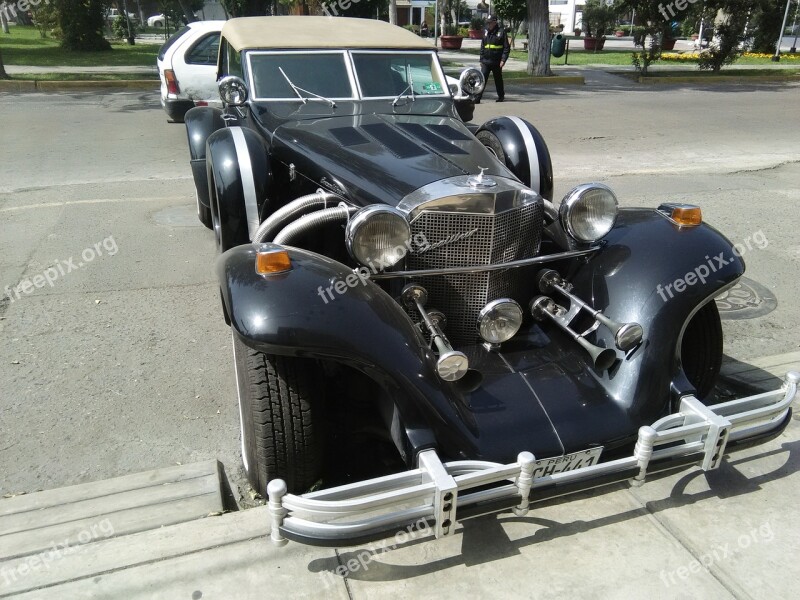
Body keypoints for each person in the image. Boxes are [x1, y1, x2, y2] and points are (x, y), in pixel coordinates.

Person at [475, 14, 510, 103]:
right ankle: (477, 98)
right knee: (482, 80)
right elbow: (483, 46)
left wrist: (503, 60)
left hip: (497, 61)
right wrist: (481, 59)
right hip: (486, 61)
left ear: (495, 22)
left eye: (490, 23)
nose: (489, 24)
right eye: (488, 23)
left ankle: (501, 96)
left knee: (498, 80)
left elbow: (506, 48)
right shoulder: (486, 31)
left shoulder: (501, 32)